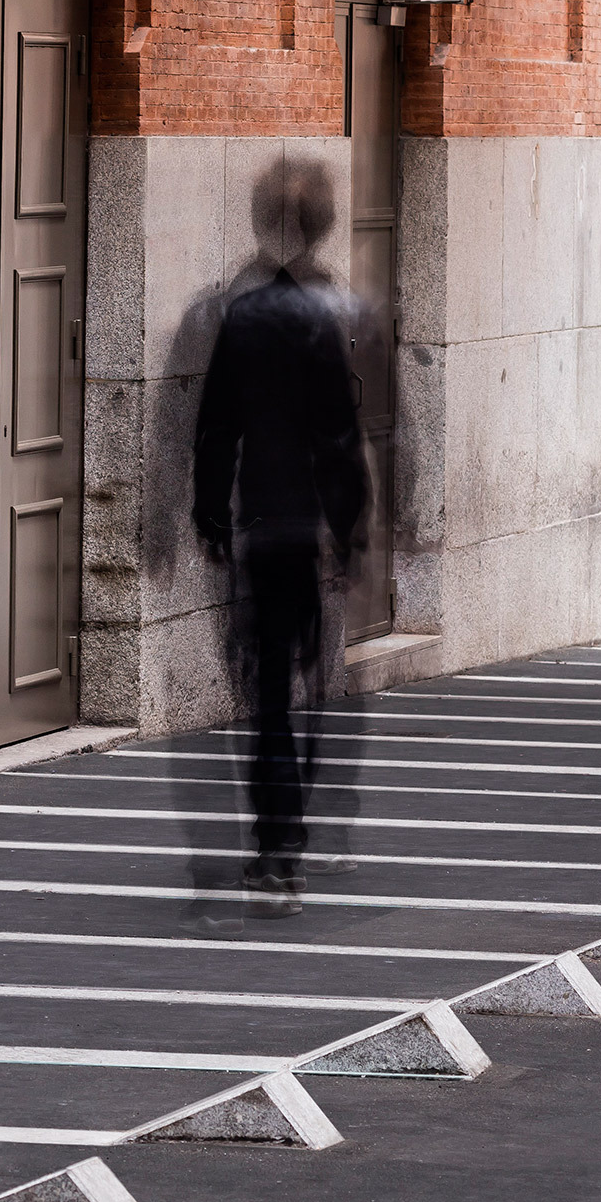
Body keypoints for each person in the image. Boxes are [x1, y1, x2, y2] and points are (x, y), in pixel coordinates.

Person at [191, 160, 368, 909]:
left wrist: (208, 516)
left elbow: (216, 431)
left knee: (265, 693)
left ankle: (276, 844)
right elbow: (339, 435)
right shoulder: (326, 321)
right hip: (306, 532)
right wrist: (349, 530)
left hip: (260, 528)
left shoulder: (242, 317)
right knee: (312, 690)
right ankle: (292, 841)